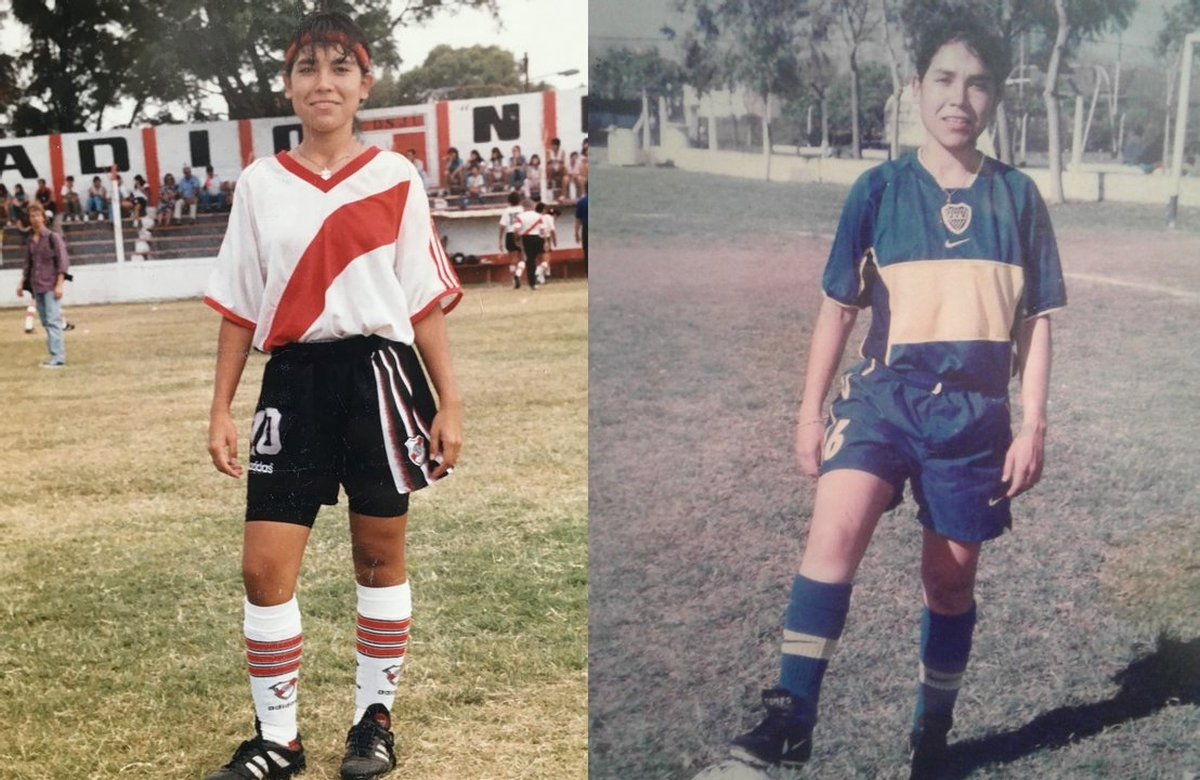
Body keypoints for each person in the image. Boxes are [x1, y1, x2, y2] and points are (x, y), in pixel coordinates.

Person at [724, 14, 1066, 780]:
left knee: (949, 582)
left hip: (974, 418)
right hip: (883, 400)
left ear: (996, 97)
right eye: (944, 80)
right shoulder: (878, 190)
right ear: (915, 88)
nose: (959, 99)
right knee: (834, 533)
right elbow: (838, 309)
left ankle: (931, 731)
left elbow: (1037, 321)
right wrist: (808, 412)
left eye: (977, 84)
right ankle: (791, 718)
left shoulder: (1018, 197)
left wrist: (1033, 424)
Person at [202, 11, 463, 780]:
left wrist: (450, 402)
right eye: (308, 67)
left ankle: (372, 722)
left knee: (379, 558)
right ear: (288, 85)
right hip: (293, 382)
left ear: (365, 84)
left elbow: (421, 302)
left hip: (380, 377)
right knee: (263, 567)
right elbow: (239, 306)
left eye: (340, 68)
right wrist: (220, 408)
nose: (324, 82)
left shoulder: (395, 177)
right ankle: (278, 739)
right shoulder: (261, 183)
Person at [15, 202, 69, 368]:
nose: (35, 219)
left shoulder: (53, 238)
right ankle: (55, 355)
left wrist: (59, 285)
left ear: (43, 217)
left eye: (38, 215)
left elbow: (63, 263)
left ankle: (57, 358)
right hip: (36, 286)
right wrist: (22, 283)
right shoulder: (31, 241)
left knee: (52, 321)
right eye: (32, 216)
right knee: (46, 321)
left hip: (51, 285)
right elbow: (28, 264)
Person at [513, 197, 545, 291]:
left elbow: (516, 230)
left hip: (526, 238)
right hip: (538, 237)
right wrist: (544, 241)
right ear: (532, 206)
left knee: (529, 260)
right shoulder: (539, 216)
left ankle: (532, 282)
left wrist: (516, 240)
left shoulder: (520, 217)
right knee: (538, 259)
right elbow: (542, 230)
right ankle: (538, 277)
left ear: (523, 207)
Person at [498, 190, 523, 289]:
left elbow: (502, 226)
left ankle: (513, 279)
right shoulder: (522, 209)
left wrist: (500, 240)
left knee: (513, 258)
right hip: (520, 234)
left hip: (510, 234)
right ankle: (518, 274)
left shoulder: (506, 211)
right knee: (523, 258)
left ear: (509, 201)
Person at [573, 188, 587, 273]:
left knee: (587, 253)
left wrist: (576, 233)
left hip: (586, 229)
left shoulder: (581, 202)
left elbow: (578, 220)